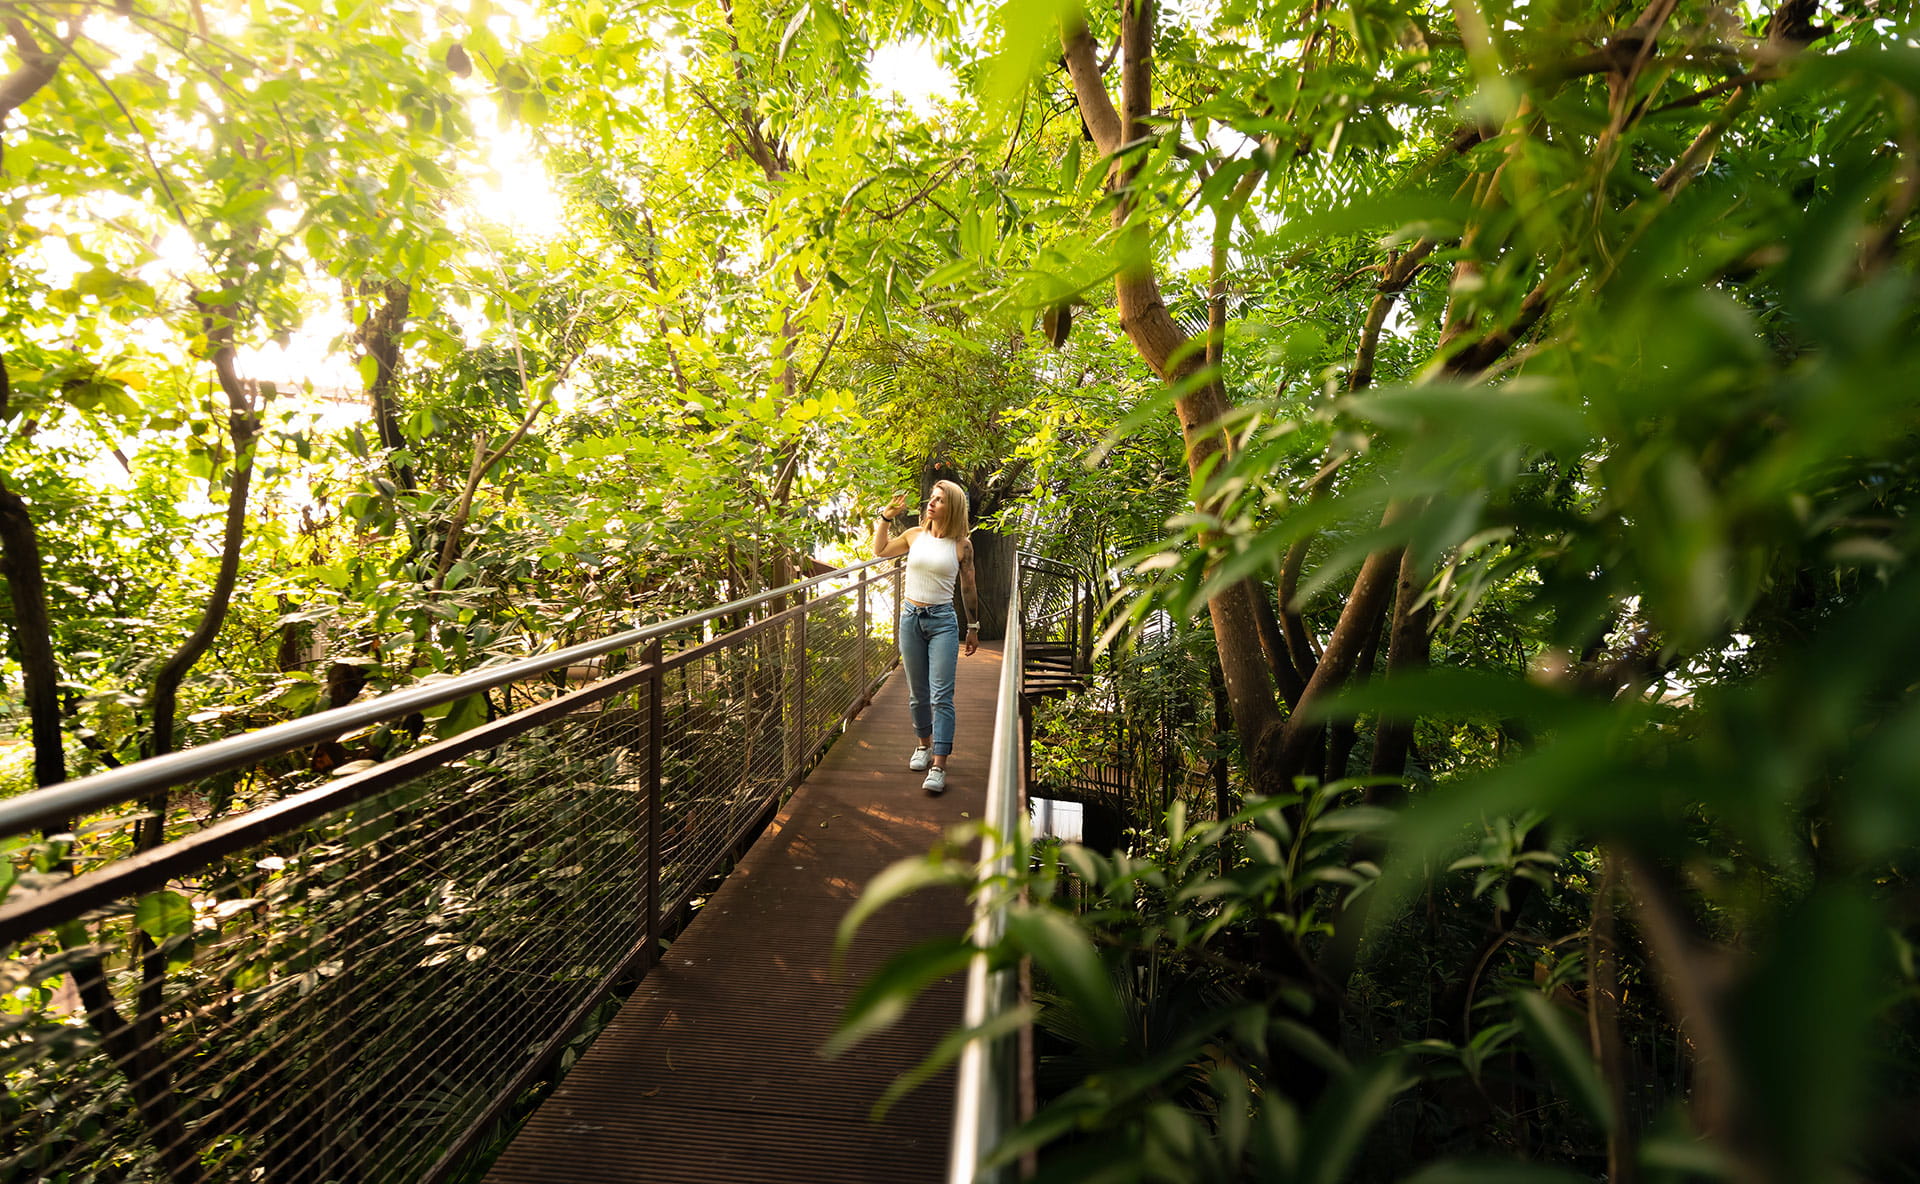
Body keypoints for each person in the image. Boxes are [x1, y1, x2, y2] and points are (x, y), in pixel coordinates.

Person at [872, 480, 980, 794]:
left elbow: (969, 587)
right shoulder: (914, 536)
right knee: (917, 693)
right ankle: (923, 745)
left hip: (942, 622)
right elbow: (879, 551)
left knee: (941, 696)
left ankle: (939, 766)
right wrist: (886, 517)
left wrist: (973, 627)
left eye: (939, 500)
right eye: (931, 498)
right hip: (910, 619)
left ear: (953, 507)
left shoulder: (962, 545)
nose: (931, 504)